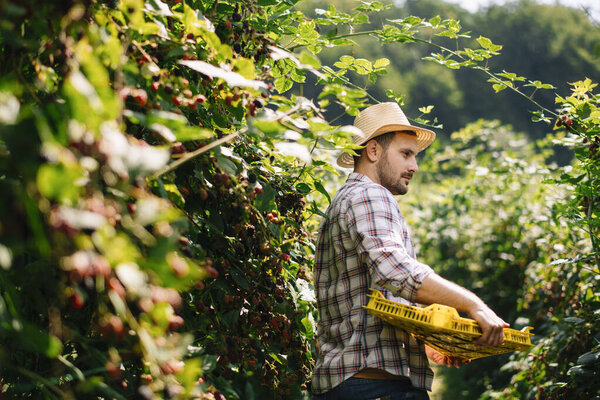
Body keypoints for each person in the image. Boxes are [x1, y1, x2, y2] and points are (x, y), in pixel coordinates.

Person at [311, 102, 509, 400]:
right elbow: (397, 272)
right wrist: (474, 305)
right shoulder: (369, 195)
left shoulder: (345, 199)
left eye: (414, 156)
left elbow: (368, 297)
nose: (414, 166)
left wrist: (428, 339)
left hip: (350, 383)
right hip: (376, 387)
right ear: (373, 151)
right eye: (405, 154)